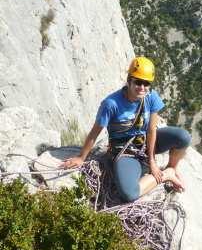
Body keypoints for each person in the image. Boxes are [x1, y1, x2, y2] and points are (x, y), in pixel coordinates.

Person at [63, 56, 191, 201]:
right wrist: (81, 157)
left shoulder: (151, 97)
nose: (142, 87)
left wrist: (152, 162)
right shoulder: (111, 104)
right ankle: (167, 174)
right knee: (130, 194)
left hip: (145, 142)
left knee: (183, 137)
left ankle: (172, 167)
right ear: (129, 80)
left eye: (146, 83)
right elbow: (94, 133)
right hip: (125, 152)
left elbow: (151, 130)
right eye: (138, 82)